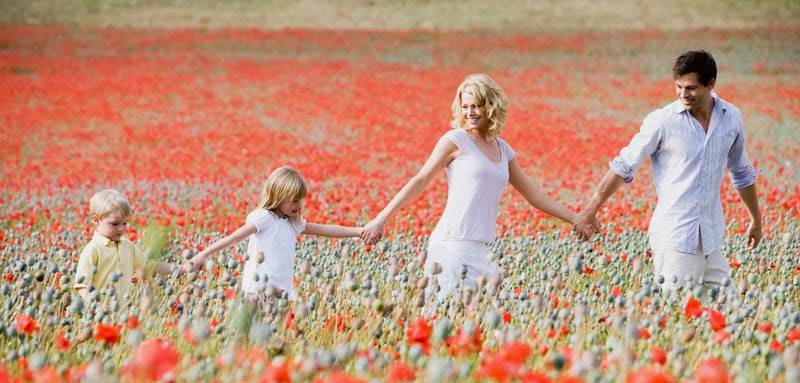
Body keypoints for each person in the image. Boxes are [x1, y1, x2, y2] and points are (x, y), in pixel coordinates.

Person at [361, 73, 591, 295]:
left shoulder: (503, 149)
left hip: (481, 248)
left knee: (485, 319)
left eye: (476, 106)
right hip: (451, 243)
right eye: (465, 106)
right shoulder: (455, 140)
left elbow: (534, 195)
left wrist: (575, 218)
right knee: (446, 316)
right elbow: (420, 180)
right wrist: (382, 219)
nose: (469, 112)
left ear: (491, 106)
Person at [574, 50, 762, 293]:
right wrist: (590, 210)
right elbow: (623, 166)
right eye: (679, 86)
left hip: (711, 238)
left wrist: (756, 219)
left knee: (729, 312)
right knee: (681, 316)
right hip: (675, 239)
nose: (683, 94)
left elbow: (742, 172)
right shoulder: (663, 121)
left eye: (691, 88)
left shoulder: (731, 117)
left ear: (711, 83)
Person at [181, 166, 362, 299]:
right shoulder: (264, 218)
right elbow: (233, 238)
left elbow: (325, 230)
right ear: (278, 197)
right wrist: (202, 255)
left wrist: (359, 231)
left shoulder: (293, 223)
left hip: (281, 293)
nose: (298, 205)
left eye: (300, 201)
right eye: (293, 201)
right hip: (257, 291)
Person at [74, 189, 174, 302]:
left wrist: (176, 269)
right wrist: (92, 304)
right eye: (115, 224)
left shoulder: (127, 246)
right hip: (98, 312)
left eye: (124, 223)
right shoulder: (93, 249)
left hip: (121, 312)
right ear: (96, 220)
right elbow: (82, 285)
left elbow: (148, 266)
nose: (121, 228)